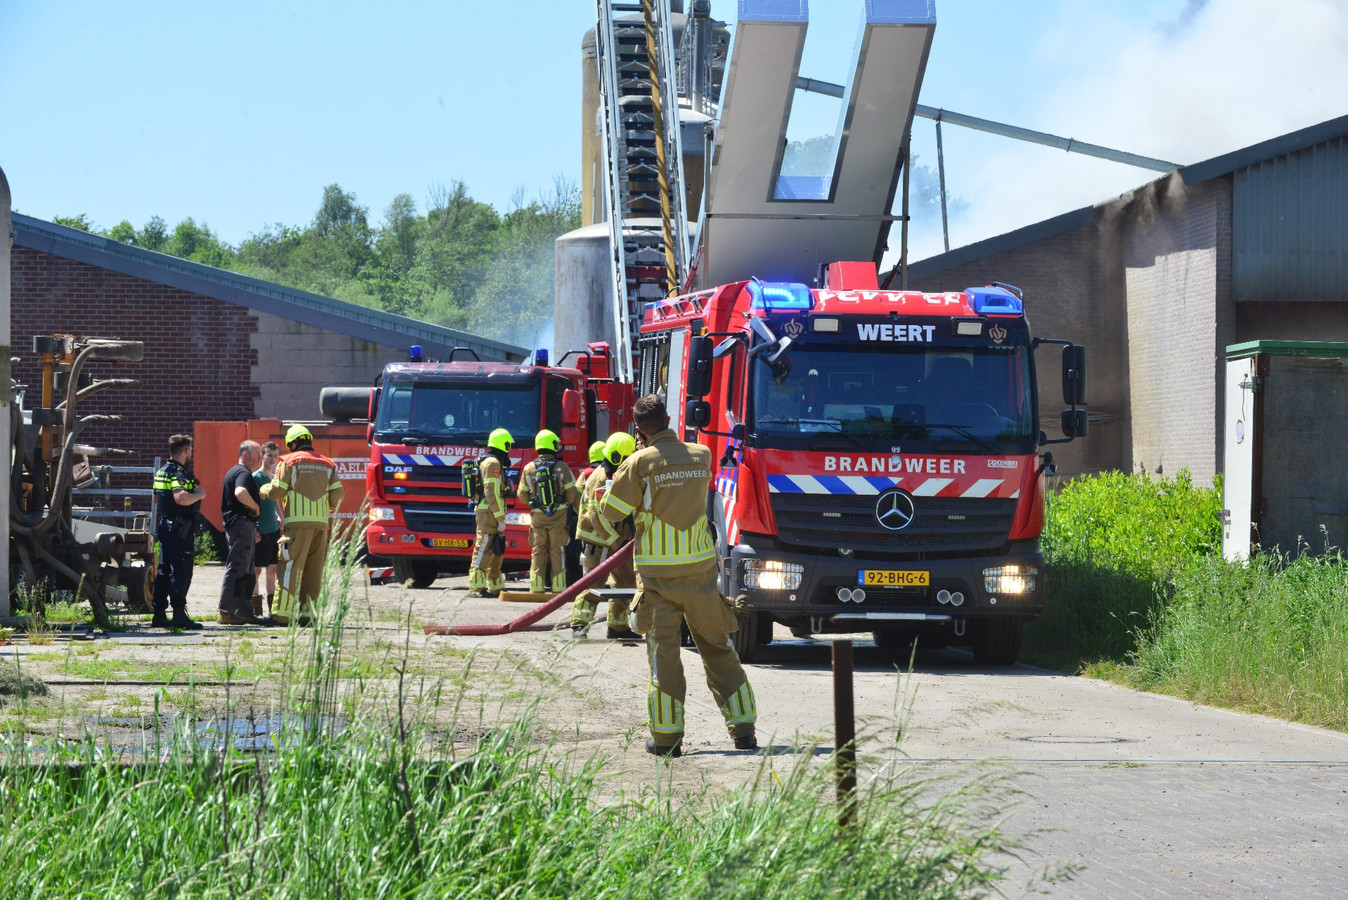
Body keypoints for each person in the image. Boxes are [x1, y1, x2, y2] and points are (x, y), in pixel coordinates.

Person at [601, 395, 758, 757]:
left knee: (665, 657)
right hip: (702, 571)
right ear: (669, 418)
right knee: (719, 649)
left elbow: (612, 512)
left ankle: (667, 740)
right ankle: (744, 731)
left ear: (639, 429)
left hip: (658, 578)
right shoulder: (701, 454)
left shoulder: (639, 463)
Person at [260, 424, 344, 625]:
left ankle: (282, 616)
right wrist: (328, 509)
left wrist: (264, 489)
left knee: (289, 568)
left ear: (294, 443)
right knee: (313, 572)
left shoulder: (288, 461)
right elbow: (338, 494)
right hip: (321, 526)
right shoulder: (327, 463)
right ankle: (308, 616)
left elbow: (276, 491)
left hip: (297, 526)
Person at [571, 431, 639, 639]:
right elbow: (595, 516)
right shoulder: (599, 477)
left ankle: (618, 626)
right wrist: (615, 540)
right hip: (598, 540)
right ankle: (579, 625)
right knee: (593, 584)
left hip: (617, 540)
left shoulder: (617, 475)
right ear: (617, 457)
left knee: (626, 582)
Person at [150, 433, 205, 630]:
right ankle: (179, 614)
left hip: (165, 524)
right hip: (180, 528)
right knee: (181, 571)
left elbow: (157, 499)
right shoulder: (179, 473)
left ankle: (159, 614)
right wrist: (199, 494)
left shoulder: (162, 471)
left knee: (164, 570)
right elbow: (181, 498)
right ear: (186, 451)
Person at [515, 429, 579, 594]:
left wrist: (533, 503)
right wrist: (564, 502)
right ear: (553, 445)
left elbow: (521, 494)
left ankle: (536, 586)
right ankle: (558, 587)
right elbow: (572, 493)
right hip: (558, 517)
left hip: (538, 517)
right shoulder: (562, 467)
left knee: (538, 549)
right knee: (557, 549)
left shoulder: (529, 468)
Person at [219, 440, 265, 625]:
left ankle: (243, 610)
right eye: (257, 455)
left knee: (245, 570)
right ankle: (226, 610)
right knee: (238, 568)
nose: (260, 458)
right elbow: (240, 492)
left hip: (242, 527)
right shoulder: (242, 473)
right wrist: (255, 507)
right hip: (241, 525)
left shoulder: (235, 472)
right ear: (245, 456)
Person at [467, 427, 513, 598]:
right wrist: (500, 517)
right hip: (489, 513)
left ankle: (495, 586)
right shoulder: (492, 463)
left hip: (491, 511)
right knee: (485, 546)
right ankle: (476, 588)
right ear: (504, 444)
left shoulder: (490, 461)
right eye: (509, 445)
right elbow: (491, 492)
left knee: (496, 547)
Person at [252, 441, 282, 616]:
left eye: (275, 456)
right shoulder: (256, 477)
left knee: (272, 569)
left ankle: (272, 611)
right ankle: (256, 610)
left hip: (273, 529)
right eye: (269, 455)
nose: (272, 459)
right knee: (256, 570)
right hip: (260, 530)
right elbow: (252, 504)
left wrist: (280, 516)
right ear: (261, 456)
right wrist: (255, 527)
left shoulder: (275, 478)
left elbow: (275, 499)